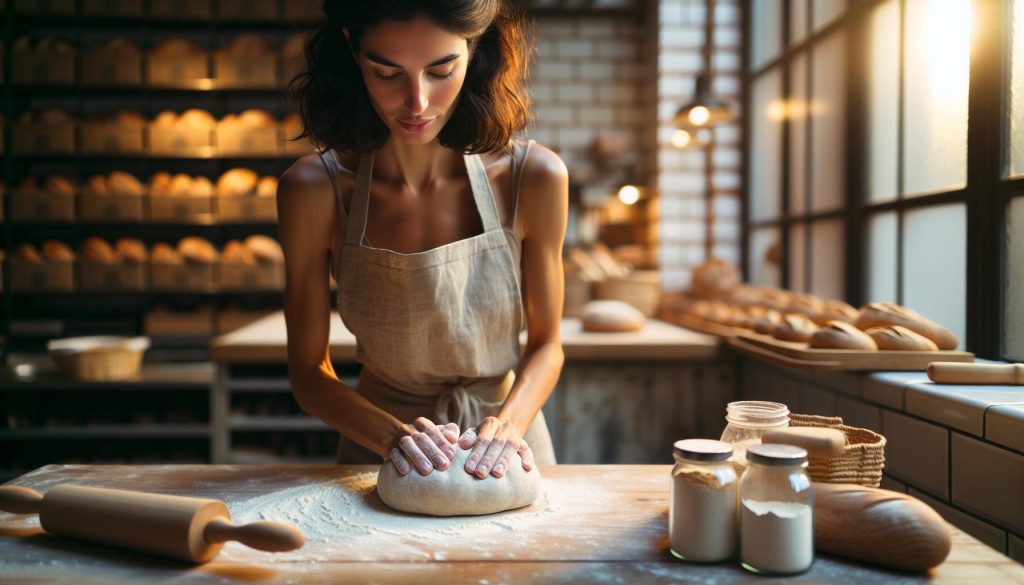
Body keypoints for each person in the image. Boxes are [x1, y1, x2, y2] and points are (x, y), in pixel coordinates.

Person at [277, 0, 568, 480]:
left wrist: (507, 428)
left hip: (505, 449)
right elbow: (309, 373)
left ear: (474, 50)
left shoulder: (533, 178)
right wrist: (392, 438)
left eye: (440, 71)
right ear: (352, 50)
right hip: (378, 453)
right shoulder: (315, 189)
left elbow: (547, 345)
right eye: (387, 73)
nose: (417, 103)